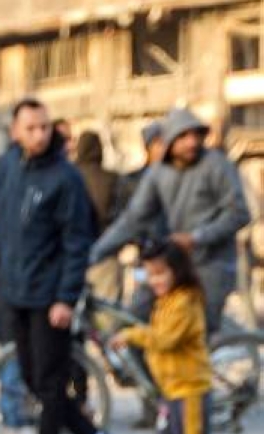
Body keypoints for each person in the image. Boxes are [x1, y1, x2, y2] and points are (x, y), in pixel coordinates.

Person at [0, 97, 110, 434]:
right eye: (31, 128)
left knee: (50, 380)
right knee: (32, 378)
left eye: (44, 127)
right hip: (15, 289)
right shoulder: (6, 169)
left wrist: (66, 297)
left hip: (49, 296)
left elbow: (76, 242)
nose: (38, 135)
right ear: (15, 131)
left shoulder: (66, 179)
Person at [91, 107, 251, 334]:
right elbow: (133, 219)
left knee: (192, 338)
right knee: (134, 321)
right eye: (183, 136)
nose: (191, 142)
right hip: (169, 262)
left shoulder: (216, 164)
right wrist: (95, 253)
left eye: (196, 135)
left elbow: (239, 213)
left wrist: (196, 238)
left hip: (212, 265)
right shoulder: (157, 173)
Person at [110, 240, 216, 434]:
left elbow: (166, 339)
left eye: (160, 273)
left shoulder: (186, 301)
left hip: (189, 390)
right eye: (149, 274)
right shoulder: (164, 300)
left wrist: (132, 335)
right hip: (169, 391)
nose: (154, 280)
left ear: (177, 271)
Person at [76, 130, 124, 302]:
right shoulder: (112, 178)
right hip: (107, 250)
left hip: (76, 254)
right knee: (108, 313)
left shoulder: (70, 177)